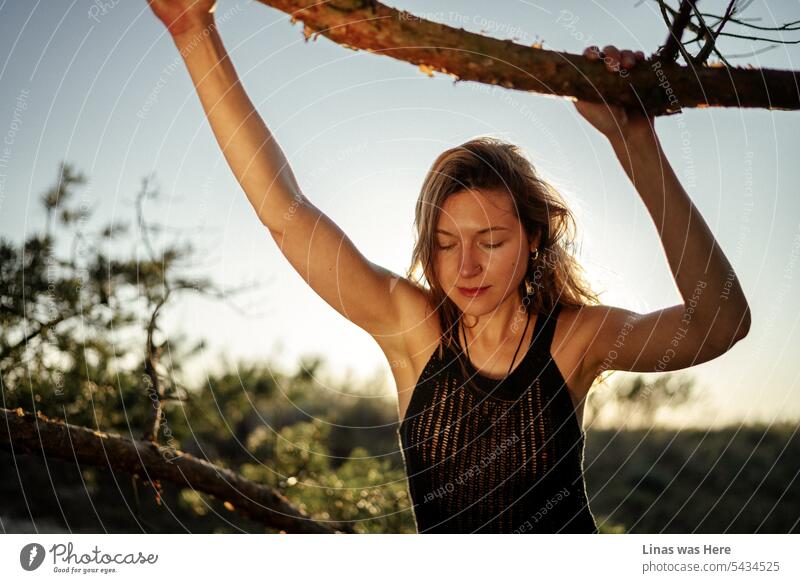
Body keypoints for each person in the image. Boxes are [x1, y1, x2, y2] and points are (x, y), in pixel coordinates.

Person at [146, 1, 752, 533]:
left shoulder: (572, 339)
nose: (465, 266)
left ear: (533, 238)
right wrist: (192, 31)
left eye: (489, 241)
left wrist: (635, 142)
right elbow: (285, 212)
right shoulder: (412, 330)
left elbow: (720, 322)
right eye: (443, 243)